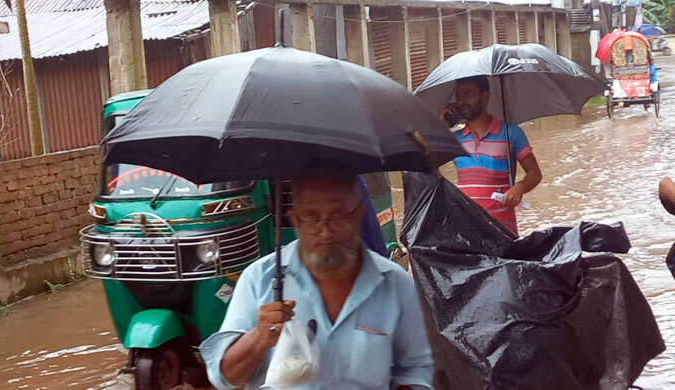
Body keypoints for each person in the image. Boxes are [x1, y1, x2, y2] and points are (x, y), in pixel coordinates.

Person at [199, 160, 434, 389]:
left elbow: (416, 368)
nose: (325, 230)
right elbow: (226, 378)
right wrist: (259, 337)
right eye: (312, 217)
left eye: (338, 215)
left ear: (358, 216)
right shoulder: (259, 280)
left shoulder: (394, 283)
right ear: (296, 220)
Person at [439, 76, 542, 234]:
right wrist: (441, 128)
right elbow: (428, 167)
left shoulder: (511, 133)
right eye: (459, 96)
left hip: (503, 232)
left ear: (485, 96)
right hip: (468, 232)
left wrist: (519, 188)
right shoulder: (454, 139)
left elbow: (535, 173)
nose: (461, 102)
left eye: (469, 94)